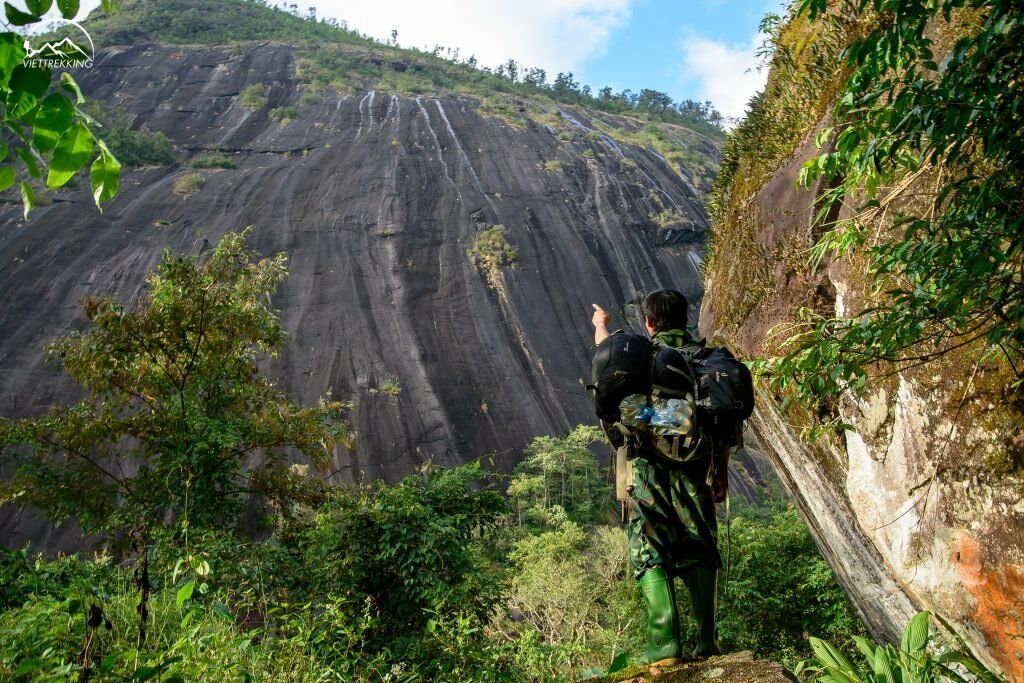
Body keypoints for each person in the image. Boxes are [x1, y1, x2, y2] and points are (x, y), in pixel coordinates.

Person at [591, 290, 734, 666]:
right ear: (685, 318)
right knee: (700, 546)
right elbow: (720, 420)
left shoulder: (638, 358)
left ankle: (664, 644)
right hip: (695, 469)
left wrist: (600, 325)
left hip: (646, 469)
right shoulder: (705, 358)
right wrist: (719, 473)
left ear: (649, 323)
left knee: (649, 549)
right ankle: (707, 640)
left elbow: (607, 369)